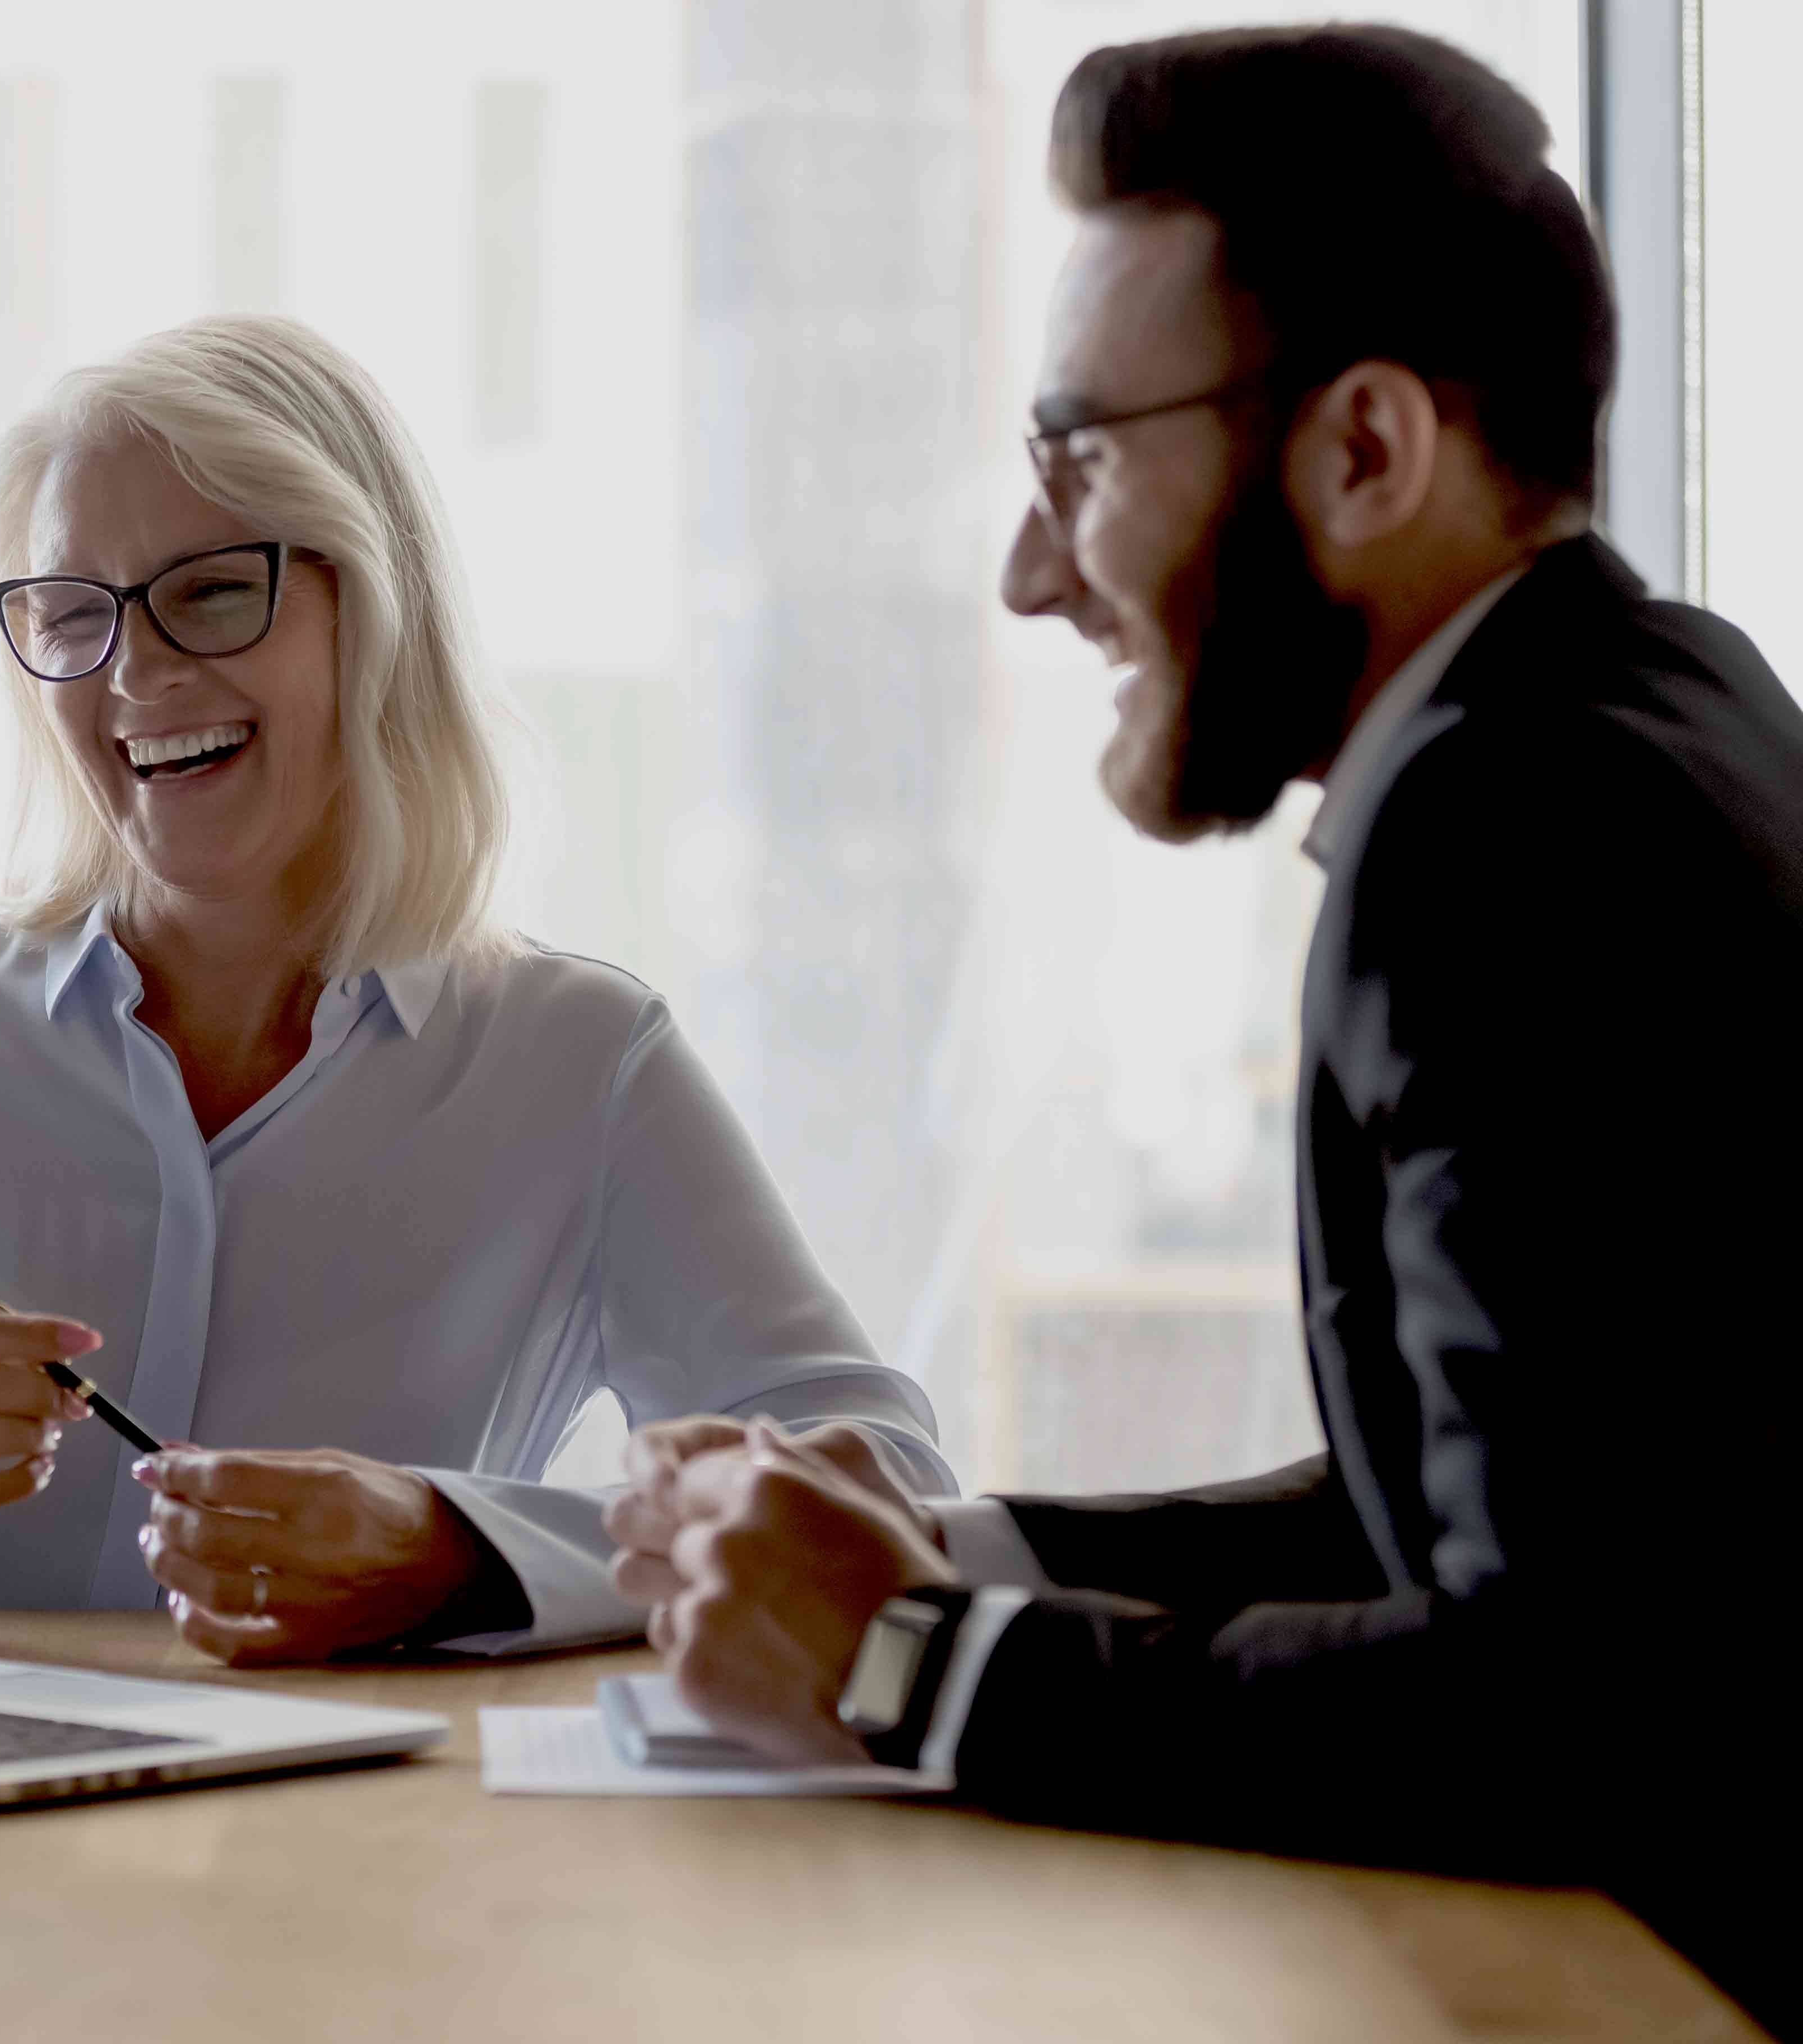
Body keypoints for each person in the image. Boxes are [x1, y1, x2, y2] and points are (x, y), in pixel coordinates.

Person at [605, 25, 1803, 2034]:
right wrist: (935, 1543)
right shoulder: (1659, 702)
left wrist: (905, 1656)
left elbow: (1565, 1706)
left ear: (1361, 448)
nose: (1022, 571)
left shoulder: (1496, 837)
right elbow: (1478, 1500)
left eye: (1075, 453)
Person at [0, 314, 951, 1664]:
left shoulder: (578, 1062)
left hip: (353, 1855)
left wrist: (459, 1548)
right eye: (75, 614)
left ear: (375, 617)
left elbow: (890, 1494)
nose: (136, 672)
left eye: (211, 591)